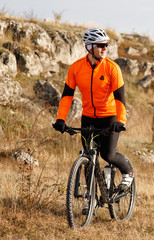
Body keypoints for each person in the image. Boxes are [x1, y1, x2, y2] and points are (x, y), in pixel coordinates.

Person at [52, 27, 134, 192]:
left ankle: (128, 172)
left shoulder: (112, 68)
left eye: (106, 45)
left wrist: (120, 121)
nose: (104, 48)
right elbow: (67, 95)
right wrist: (60, 119)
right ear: (89, 47)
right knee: (87, 156)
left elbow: (120, 98)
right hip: (88, 118)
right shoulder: (76, 68)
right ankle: (90, 199)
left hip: (109, 117)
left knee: (108, 155)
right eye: (100, 45)